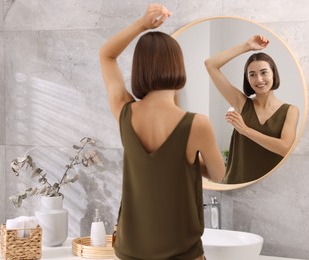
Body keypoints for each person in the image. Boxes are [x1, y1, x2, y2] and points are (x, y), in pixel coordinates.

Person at [99, 4, 224, 260]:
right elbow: (218, 174)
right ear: (178, 66)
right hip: (182, 254)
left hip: (130, 251)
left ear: (140, 69)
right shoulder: (197, 124)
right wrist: (188, 159)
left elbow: (106, 55)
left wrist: (143, 24)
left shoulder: (124, 111)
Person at [204, 35, 299, 184]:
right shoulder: (241, 103)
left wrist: (245, 130)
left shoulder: (291, 111)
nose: (259, 80)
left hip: (270, 190)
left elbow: (285, 148)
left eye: (264, 72)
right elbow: (210, 64)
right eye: (252, 75)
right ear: (247, 79)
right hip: (235, 186)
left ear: (274, 73)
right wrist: (247, 46)